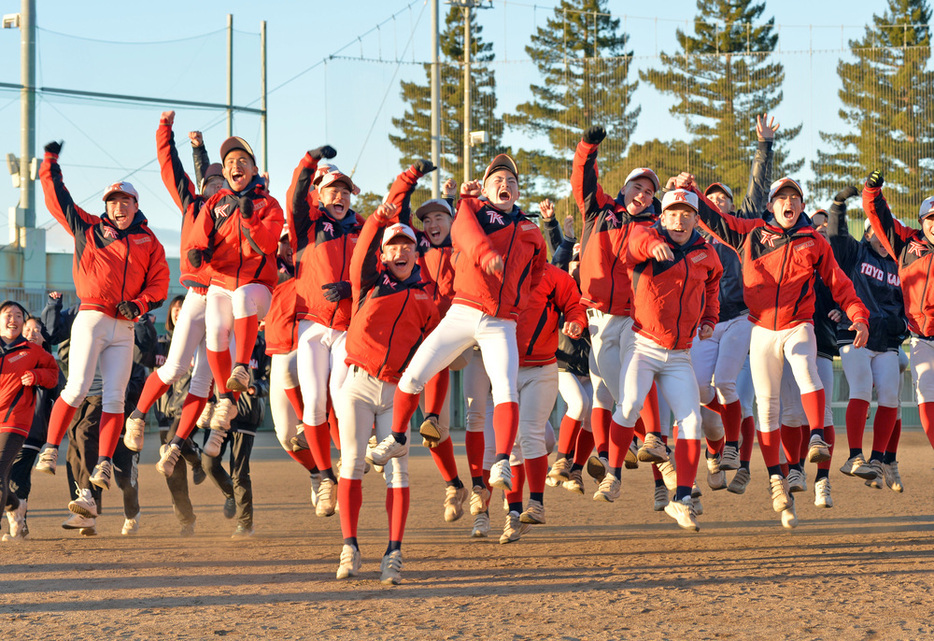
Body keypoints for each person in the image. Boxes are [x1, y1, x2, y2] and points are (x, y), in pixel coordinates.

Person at [681, 172, 869, 527]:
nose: (789, 203)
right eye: (782, 198)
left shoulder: (814, 240)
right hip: (762, 328)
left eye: (795, 198)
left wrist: (858, 315)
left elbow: (839, 283)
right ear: (771, 205)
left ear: (801, 205)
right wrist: (691, 191)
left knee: (805, 365)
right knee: (766, 408)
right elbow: (716, 220)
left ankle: (816, 439)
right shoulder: (751, 233)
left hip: (799, 324)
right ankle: (775, 479)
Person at [368, 154, 546, 495]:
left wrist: (518, 301)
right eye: (497, 180)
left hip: (500, 321)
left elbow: (536, 275)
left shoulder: (531, 230)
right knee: (413, 376)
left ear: (519, 191)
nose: (504, 185)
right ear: (486, 187)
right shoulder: (473, 210)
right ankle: (397, 436)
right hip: (463, 309)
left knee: (505, 389)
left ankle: (502, 460)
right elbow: (463, 232)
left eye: (511, 181)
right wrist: (484, 253)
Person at [35, 140, 170, 492]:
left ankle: (105, 463)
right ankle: (50, 449)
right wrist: (50, 162)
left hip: (124, 325)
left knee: (115, 398)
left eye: (125, 200)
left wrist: (140, 305)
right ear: (106, 206)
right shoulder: (89, 227)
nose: (119, 206)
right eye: (113, 201)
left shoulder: (150, 241)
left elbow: (159, 282)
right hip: (92, 316)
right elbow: (57, 200)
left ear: (136, 205)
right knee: (77, 387)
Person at [594, 189, 721, 532]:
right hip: (643, 344)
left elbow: (712, 289)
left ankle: (681, 499)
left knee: (692, 423)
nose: (679, 220)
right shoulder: (647, 235)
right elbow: (635, 245)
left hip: (680, 353)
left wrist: (709, 319)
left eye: (686, 214)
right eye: (672, 214)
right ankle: (613, 475)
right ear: (662, 217)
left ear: (697, 220)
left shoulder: (706, 253)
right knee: (630, 403)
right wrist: (652, 246)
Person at [336, 203, 439, 585]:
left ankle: (394, 553)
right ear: (383, 254)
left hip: (397, 390)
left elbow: (433, 350)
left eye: (406, 245)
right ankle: (350, 546)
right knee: (351, 464)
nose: (400, 252)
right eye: (392, 246)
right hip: (359, 385)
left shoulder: (428, 299)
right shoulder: (369, 282)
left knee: (398, 470)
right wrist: (379, 218)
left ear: (416, 252)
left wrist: (432, 409)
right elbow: (361, 250)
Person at [125, 111, 224, 457]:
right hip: (198, 296)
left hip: (226, 297)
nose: (217, 186)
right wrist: (166, 131)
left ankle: (178, 444)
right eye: (211, 181)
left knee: (206, 379)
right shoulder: (193, 203)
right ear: (203, 185)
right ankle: (136, 417)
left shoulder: (238, 211)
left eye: (223, 181)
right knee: (175, 367)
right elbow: (170, 168)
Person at [571, 125, 662, 487]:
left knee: (635, 386)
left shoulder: (657, 226)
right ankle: (649, 457)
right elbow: (582, 179)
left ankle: (648, 443)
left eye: (649, 191)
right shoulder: (599, 211)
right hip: (598, 317)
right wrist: (587, 146)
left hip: (635, 317)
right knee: (618, 392)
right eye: (637, 187)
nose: (642, 194)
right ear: (623, 189)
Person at [691, 114, 777, 493]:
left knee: (729, 385)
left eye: (723, 198)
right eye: (711, 199)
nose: (718, 202)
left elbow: (758, 192)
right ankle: (717, 449)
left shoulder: (743, 232)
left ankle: (737, 455)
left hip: (741, 319)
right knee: (696, 387)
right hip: (705, 323)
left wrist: (764, 146)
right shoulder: (690, 238)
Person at [186, 135, 282, 452]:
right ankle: (225, 399)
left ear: (254, 169)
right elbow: (199, 236)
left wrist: (250, 218)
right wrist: (197, 253)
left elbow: (267, 246)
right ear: (225, 173)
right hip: (221, 281)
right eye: (229, 163)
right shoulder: (215, 202)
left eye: (242, 161)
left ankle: (241, 366)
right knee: (214, 330)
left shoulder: (268, 204)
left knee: (242, 297)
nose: (235, 166)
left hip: (258, 288)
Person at [286, 144, 357, 517]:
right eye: (333, 190)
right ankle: (325, 477)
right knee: (314, 402)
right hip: (313, 324)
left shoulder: (363, 229)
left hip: (347, 327)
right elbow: (296, 195)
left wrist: (351, 288)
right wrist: (309, 159)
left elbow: (378, 272)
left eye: (345, 191)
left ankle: (348, 463)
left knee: (341, 398)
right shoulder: (308, 224)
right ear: (319, 194)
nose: (340, 196)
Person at [827, 186, 907, 486]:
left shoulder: (900, 264)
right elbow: (835, 235)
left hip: (887, 341)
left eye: (886, 231)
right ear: (868, 232)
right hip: (855, 334)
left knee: (889, 398)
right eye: (875, 230)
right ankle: (854, 456)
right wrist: (838, 205)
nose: (881, 236)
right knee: (860, 389)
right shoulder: (855, 252)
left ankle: (877, 460)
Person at [863, 170, 934, 455]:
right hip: (922, 339)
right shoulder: (907, 244)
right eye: (931, 219)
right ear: (921, 223)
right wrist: (872, 192)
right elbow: (880, 219)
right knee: (926, 398)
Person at [0, 301, 59, 542]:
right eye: (7, 315)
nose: (12, 319)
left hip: (15, 422)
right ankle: (15, 505)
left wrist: (37, 375)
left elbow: (54, 375)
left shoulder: (33, 351)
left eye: (17, 316)